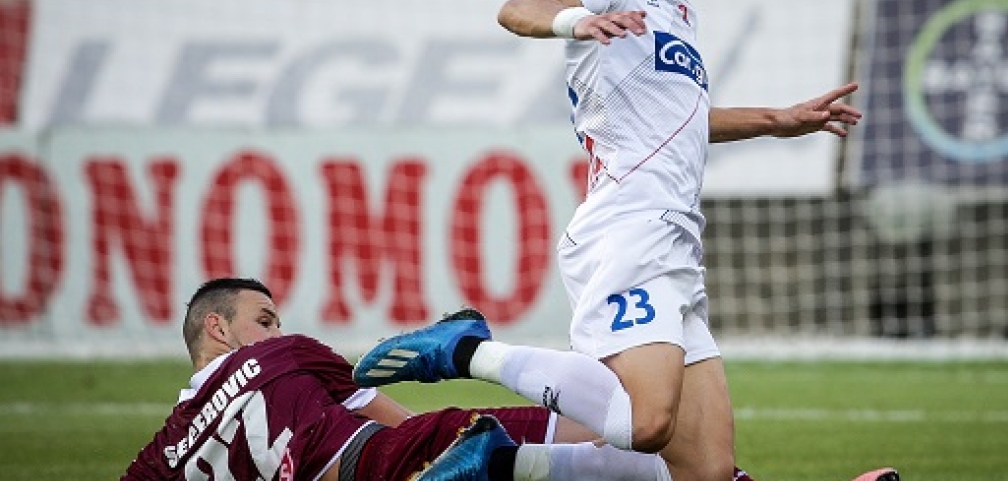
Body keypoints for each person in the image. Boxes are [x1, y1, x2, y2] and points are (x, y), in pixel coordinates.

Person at [354, 0, 896, 481]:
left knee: (706, 471)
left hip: (676, 241)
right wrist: (576, 20)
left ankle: (502, 463)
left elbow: (681, 121)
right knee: (645, 420)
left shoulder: (677, 11)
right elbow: (521, 6)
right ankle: (467, 352)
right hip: (630, 229)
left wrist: (778, 120)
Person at [119, 277, 751, 481]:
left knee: (640, 446)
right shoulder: (285, 354)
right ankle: (470, 357)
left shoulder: (165, 451)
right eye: (263, 319)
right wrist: (432, 447)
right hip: (395, 457)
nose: (275, 328)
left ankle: (495, 455)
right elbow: (383, 413)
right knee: (633, 433)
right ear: (217, 327)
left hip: (391, 459)